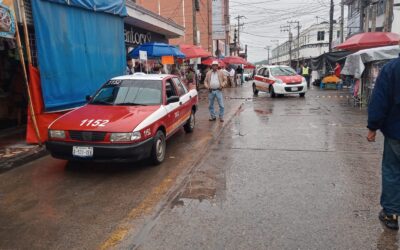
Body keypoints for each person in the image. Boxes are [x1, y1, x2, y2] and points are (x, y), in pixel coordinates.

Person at [367, 53, 400, 230]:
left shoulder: (391, 69)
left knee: (393, 171)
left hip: (397, 133)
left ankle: (391, 214)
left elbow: (379, 101)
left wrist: (373, 127)